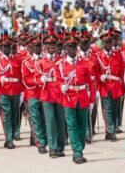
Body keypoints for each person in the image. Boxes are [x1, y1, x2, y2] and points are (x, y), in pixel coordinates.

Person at [56, 36, 94, 164]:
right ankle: (77, 152)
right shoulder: (61, 65)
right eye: (69, 47)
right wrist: (61, 86)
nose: (72, 50)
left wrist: (92, 100)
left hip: (82, 97)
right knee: (72, 126)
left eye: (74, 47)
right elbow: (58, 80)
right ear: (66, 49)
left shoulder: (83, 62)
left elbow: (90, 82)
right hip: (69, 98)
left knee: (82, 126)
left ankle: (80, 149)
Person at [35, 34, 66, 158]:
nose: (52, 46)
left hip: (59, 93)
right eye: (49, 44)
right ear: (45, 46)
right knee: (50, 121)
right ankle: (52, 148)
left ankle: (59, 147)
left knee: (60, 121)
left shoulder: (61, 60)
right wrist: (41, 79)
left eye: (54, 44)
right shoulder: (41, 62)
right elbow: (36, 78)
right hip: (47, 94)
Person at [0, 37, 23, 149]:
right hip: (3, 90)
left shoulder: (16, 59)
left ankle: (11, 136)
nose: (7, 49)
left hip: (15, 90)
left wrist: (21, 92)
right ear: (1, 48)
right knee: (6, 114)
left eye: (9, 47)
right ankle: (9, 139)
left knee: (14, 115)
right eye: (5, 47)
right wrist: (0, 79)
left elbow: (20, 76)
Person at [22, 37, 47, 154]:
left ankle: (45, 140)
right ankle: (40, 143)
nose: (37, 48)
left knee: (45, 119)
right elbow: (26, 80)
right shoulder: (26, 62)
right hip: (32, 94)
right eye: (35, 46)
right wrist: (38, 80)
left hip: (45, 93)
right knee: (36, 119)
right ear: (31, 47)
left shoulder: (46, 60)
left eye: (39, 45)